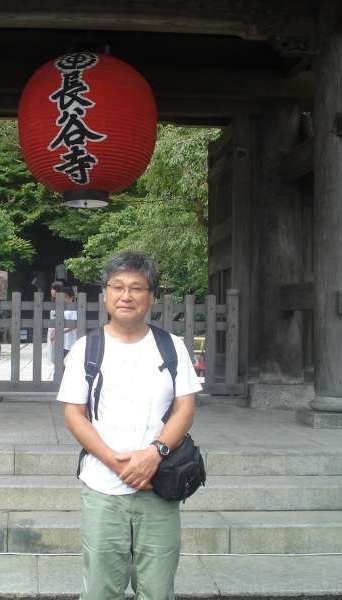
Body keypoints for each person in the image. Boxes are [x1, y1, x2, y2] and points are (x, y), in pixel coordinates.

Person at [57, 251, 201, 600]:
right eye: (118, 286)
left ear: (151, 295)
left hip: (159, 486)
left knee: (157, 589)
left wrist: (155, 454)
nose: (127, 295)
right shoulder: (85, 348)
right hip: (103, 488)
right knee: (100, 590)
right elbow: (74, 413)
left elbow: (185, 406)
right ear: (105, 293)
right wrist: (111, 459)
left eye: (137, 287)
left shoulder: (172, 346)